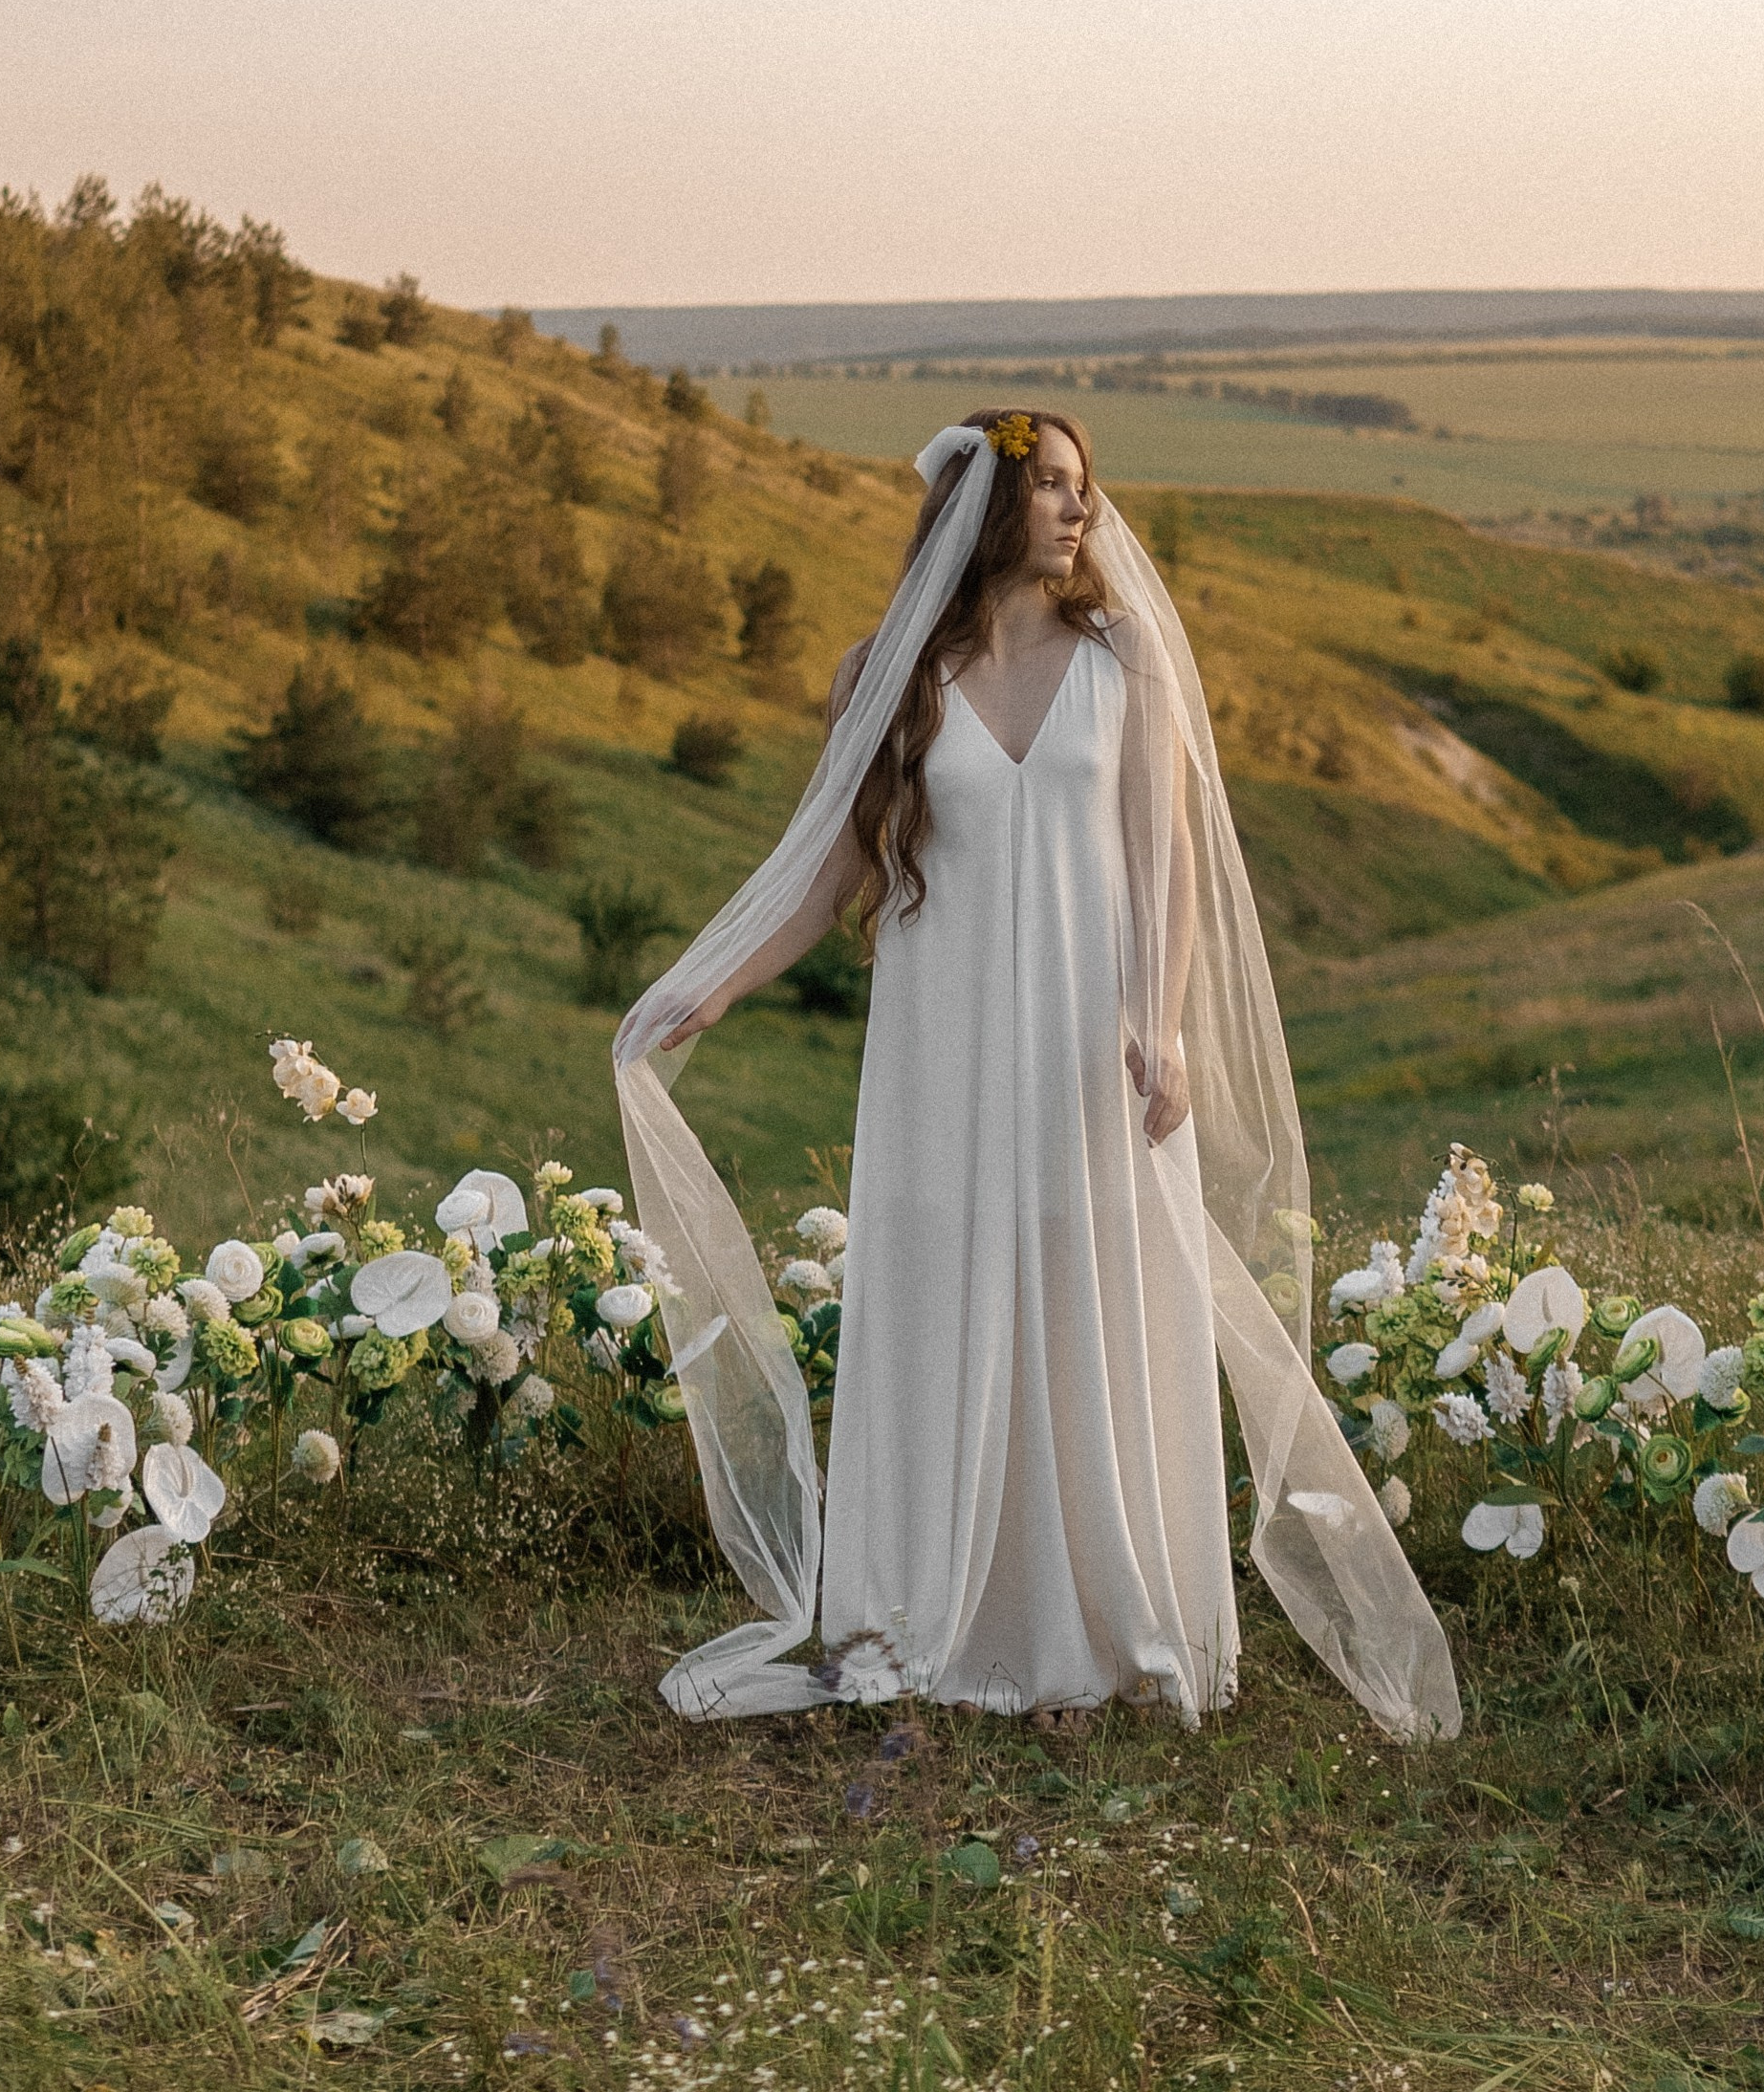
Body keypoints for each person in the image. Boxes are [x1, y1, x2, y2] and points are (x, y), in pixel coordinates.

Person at [614, 411, 1458, 1740]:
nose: (1081, 509)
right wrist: (714, 985)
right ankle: (934, 1610)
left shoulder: (1123, 659)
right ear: (986, 506)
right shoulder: (884, 674)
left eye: (1082, 485)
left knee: (1095, 1298)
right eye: (1053, 485)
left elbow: (1166, 860)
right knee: (944, 1289)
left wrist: (1158, 1025)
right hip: (941, 1041)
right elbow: (834, 865)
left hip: (1086, 1040)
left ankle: (1103, 1629)